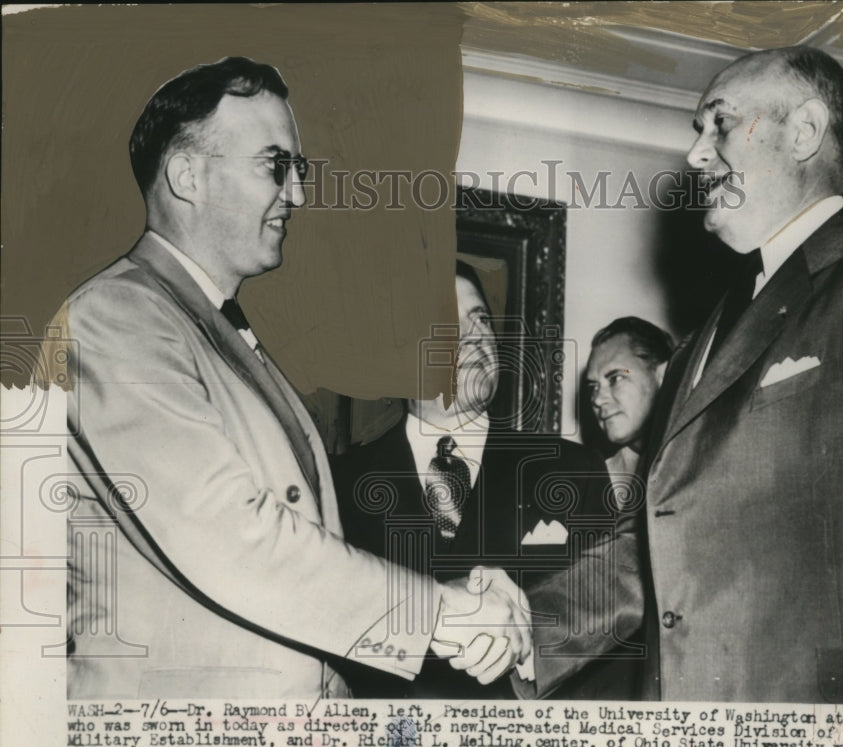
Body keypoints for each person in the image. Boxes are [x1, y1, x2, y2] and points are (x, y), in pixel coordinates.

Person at [533, 46, 843, 723]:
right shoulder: (702, 340)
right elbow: (657, 541)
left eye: (717, 124)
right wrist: (521, 627)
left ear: (804, 131)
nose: (695, 156)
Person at [45, 57, 529, 699]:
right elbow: (228, 536)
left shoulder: (212, 327)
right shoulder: (114, 317)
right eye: (276, 165)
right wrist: (438, 613)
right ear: (188, 175)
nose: (297, 194)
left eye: (297, 171)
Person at [332, 262, 641, 699]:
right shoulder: (339, 485)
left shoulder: (570, 469)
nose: (474, 335)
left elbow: (613, 628)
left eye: (479, 319)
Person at [584, 317, 674, 505]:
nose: (598, 399)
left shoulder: (710, 457)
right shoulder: (599, 483)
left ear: (663, 375)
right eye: (593, 386)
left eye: (615, 378)